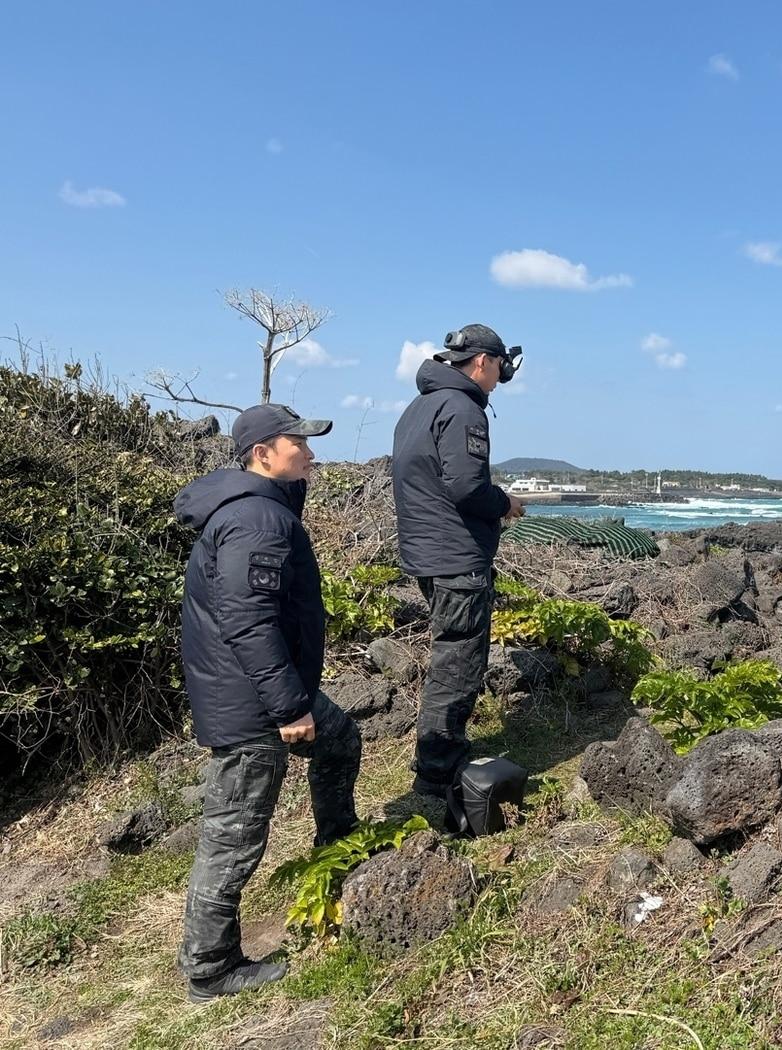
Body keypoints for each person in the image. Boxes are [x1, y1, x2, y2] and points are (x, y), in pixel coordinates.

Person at [174, 404, 361, 1002]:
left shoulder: (260, 508)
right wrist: (287, 708)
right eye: (298, 444)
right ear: (262, 454)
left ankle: (338, 842)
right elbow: (249, 622)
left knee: (341, 740)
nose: (311, 453)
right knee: (234, 837)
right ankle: (210, 968)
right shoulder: (256, 519)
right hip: (255, 704)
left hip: (262, 691)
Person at [391, 324, 525, 801]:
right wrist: (504, 503)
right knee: (459, 662)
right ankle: (438, 772)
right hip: (456, 556)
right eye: (499, 370)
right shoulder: (463, 407)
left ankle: (437, 758)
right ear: (483, 363)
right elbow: (467, 487)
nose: (497, 382)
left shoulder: (420, 406)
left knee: (450, 652)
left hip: (426, 552)